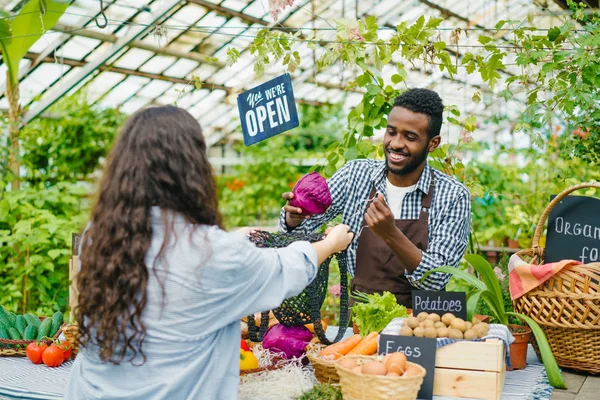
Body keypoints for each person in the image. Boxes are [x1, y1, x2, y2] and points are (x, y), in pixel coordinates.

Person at [66, 106, 354, 400]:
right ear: (192, 168)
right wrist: (330, 244)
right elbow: (286, 267)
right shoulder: (212, 253)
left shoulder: (100, 234)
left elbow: (170, 258)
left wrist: (230, 239)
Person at [280, 88, 471, 308]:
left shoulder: (453, 196)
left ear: (433, 143)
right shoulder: (355, 175)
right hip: (361, 317)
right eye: (391, 132)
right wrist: (294, 218)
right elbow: (300, 231)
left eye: (410, 137)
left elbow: (436, 278)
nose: (396, 143)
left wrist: (390, 234)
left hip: (420, 325)